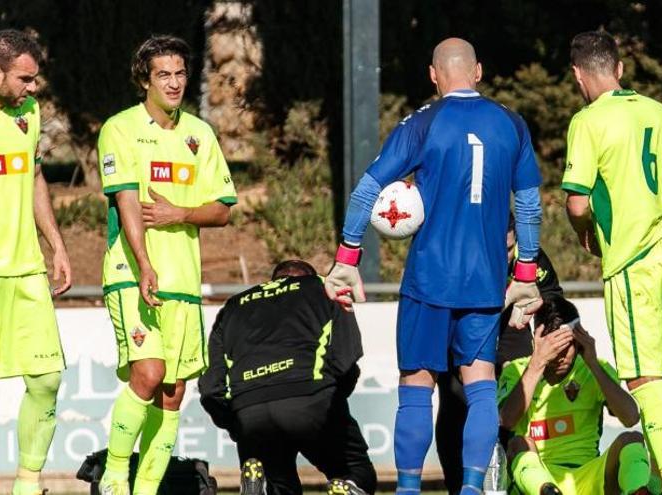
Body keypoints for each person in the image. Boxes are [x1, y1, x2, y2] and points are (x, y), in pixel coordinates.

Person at [325, 38, 544, 495]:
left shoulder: (422, 124)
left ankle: (407, 490)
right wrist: (525, 273)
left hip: (428, 278)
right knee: (480, 381)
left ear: (433, 75)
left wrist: (347, 257)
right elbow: (528, 206)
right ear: (479, 72)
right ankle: (470, 489)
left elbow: (367, 189)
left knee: (417, 383)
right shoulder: (512, 124)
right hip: (486, 280)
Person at [562, 31, 662, 495]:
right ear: (620, 69)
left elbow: (576, 203)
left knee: (643, 380)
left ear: (578, 75)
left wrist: (588, 236)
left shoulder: (588, 121)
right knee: (654, 376)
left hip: (633, 260)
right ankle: (649, 480)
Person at [96, 35, 237, 495]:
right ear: (145, 79)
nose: (174, 83)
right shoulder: (120, 128)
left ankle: (146, 488)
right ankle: (116, 477)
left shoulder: (200, 134)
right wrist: (144, 264)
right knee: (149, 373)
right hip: (133, 274)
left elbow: (222, 208)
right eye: (163, 75)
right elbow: (128, 201)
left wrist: (182, 213)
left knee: (172, 393)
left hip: (184, 280)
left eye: (179, 74)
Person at [199, 260, 377, 495]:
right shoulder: (326, 287)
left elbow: (211, 388)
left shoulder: (233, 306)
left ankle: (263, 487)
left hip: (250, 409)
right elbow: (347, 357)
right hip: (310, 398)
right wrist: (330, 399)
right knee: (355, 469)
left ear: (274, 280)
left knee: (278, 482)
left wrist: (236, 425)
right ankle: (350, 485)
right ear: (309, 277)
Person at [435, 216, 563, 494]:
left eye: (509, 249)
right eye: (497, 249)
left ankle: (509, 480)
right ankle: (459, 485)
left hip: (510, 328)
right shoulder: (458, 257)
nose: (504, 257)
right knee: (456, 399)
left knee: (514, 400)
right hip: (462, 326)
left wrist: (543, 317)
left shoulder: (530, 258)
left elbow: (554, 301)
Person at [0, 29, 72, 495]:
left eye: (35, 79)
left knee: (46, 377)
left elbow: (35, 176)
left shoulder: (28, 112)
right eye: (24, 78)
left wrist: (56, 244)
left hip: (25, 267)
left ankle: (28, 485)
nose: (33, 87)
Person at [498, 298, 653, 495]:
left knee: (632, 439)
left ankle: (637, 492)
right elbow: (507, 421)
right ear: (538, 342)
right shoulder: (517, 370)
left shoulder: (595, 370)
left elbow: (631, 417)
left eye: (567, 348)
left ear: (578, 341)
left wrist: (593, 364)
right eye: (554, 349)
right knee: (520, 443)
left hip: (587, 477)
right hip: (539, 478)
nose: (561, 357)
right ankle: (549, 492)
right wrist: (537, 363)